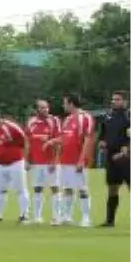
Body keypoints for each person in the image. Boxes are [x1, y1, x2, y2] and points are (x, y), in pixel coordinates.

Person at [48, 93, 95, 227]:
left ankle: (86, 218)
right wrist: (52, 141)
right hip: (65, 160)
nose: (63, 105)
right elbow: (64, 138)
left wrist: (82, 159)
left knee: (82, 189)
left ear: (71, 103)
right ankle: (67, 216)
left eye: (65, 103)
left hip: (78, 160)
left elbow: (87, 139)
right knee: (68, 188)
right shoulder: (67, 119)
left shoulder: (86, 117)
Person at [0, 110, 29, 223]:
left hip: (15, 162)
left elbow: (24, 140)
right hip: (0, 163)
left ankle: (24, 214)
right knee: (0, 190)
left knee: (20, 189)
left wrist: (26, 159)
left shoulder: (11, 127)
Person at [26, 99, 63, 225]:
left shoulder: (54, 121)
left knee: (55, 188)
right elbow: (28, 142)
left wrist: (55, 160)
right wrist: (27, 160)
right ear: (37, 109)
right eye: (42, 108)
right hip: (36, 162)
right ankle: (37, 217)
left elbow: (59, 140)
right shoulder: (31, 122)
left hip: (50, 162)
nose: (45, 110)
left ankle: (56, 217)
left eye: (46, 107)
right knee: (37, 188)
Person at [97, 91, 131, 228]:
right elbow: (103, 133)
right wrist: (102, 142)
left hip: (127, 158)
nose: (114, 101)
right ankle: (109, 221)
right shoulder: (108, 115)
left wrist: (126, 151)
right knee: (112, 188)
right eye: (113, 99)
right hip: (112, 158)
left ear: (125, 101)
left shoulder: (129, 116)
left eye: (117, 99)